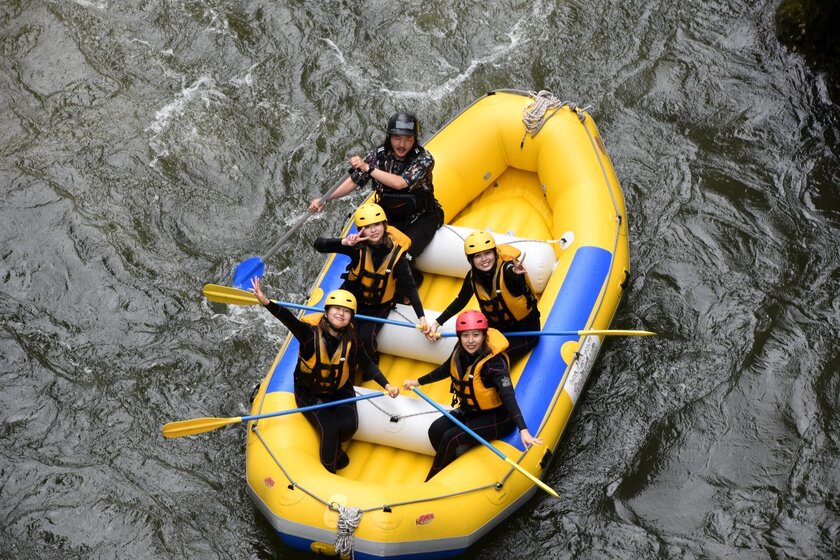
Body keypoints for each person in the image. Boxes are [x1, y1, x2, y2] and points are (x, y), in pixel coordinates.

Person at [251, 278, 399, 473]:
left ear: (351, 317)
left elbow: (367, 363)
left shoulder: (352, 339)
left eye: (346, 312)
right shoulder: (308, 334)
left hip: (339, 389)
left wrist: (386, 385)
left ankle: (336, 448)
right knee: (329, 430)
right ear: (327, 312)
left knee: (349, 426)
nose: (341, 314)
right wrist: (266, 301)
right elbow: (288, 319)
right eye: (337, 309)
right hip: (309, 391)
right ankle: (329, 470)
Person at [403, 310, 542, 481]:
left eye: (476, 335)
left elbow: (508, 396)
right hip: (471, 411)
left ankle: (430, 480)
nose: (470, 341)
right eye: (466, 335)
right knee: (435, 430)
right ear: (459, 337)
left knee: (450, 437)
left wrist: (523, 429)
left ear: (484, 335)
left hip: (498, 417)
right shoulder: (459, 351)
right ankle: (452, 466)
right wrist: (417, 382)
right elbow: (445, 369)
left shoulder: (494, 364)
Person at [308, 112, 443, 283]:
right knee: (367, 252)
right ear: (389, 137)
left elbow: (400, 183)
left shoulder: (424, 159)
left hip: (421, 217)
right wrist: (325, 199)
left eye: (408, 139)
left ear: (415, 139)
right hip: (389, 217)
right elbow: (352, 182)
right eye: (397, 138)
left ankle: (414, 280)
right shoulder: (378, 155)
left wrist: (368, 168)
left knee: (400, 255)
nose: (402, 144)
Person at [314, 203, 429, 362]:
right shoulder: (355, 247)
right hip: (350, 301)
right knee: (332, 332)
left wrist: (421, 316)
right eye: (368, 227)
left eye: (377, 224)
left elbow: (410, 286)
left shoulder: (397, 255)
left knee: (364, 339)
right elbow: (319, 245)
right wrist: (344, 243)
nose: (374, 230)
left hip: (378, 305)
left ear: (384, 225)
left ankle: (370, 359)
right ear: (361, 230)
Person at [425, 231, 541, 363]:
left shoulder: (508, 269)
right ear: (471, 260)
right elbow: (460, 301)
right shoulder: (472, 277)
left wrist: (516, 274)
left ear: (494, 253)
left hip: (524, 331)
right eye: (478, 256)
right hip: (496, 330)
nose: (484, 259)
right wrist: (436, 323)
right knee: (463, 354)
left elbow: (513, 277)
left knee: (488, 361)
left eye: (487, 253)